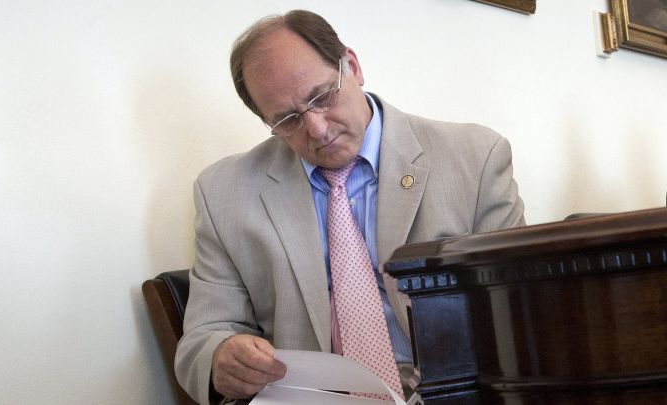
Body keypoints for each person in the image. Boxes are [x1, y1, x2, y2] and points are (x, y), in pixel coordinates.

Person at [174, 9, 525, 404]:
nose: (318, 129)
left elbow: (519, 314)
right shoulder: (224, 193)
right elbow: (202, 341)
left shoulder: (474, 159)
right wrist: (222, 357)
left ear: (353, 67)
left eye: (322, 97)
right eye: (288, 120)